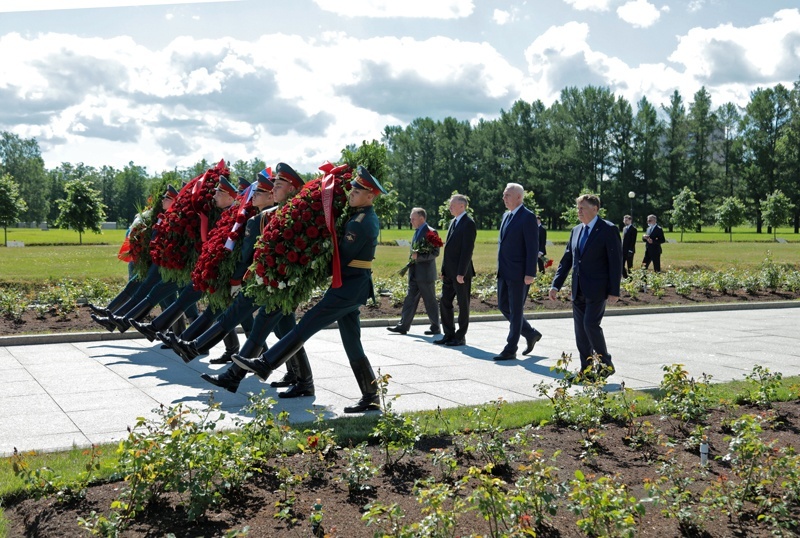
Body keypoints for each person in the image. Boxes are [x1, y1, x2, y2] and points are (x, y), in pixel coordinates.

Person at [232, 165, 387, 413]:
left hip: (349, 288)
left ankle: (266, 363)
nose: (352, 194)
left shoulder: (362, 222)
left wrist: (305, 259)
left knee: (307, 324)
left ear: (370, 196)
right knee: (352, 344)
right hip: (349, 286)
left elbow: (341, 255)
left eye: (358, 192)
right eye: (353, 190)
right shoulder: (359, 217)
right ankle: (370, 396)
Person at [198, 163, 316, 397]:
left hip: (281, 285)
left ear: (292, 189)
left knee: (266, 330)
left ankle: (231, 375)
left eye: (279, 185)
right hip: (272, 283)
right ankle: (302, 379)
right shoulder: (276, 214)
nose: (274, 190)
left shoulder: (299, 215)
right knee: (286, 333)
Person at [549, 194, 622, 379]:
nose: (578, 211)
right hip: (578, 288)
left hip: (598, 288)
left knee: (590, 324)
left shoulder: (608, 229)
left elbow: (615, 262)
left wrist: (614, 290)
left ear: (595, 209)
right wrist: (556, 285)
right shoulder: (575, 231)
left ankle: (606, 364)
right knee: (580, 331)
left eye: (582, 208)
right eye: (578, 208)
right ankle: (587, 370)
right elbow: (567, 260)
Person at [494, 183, 542, 361]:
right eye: (504, 195)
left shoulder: (527, 217)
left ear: (519, 197)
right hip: (504, 271)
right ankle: (530, 333)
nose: (504, 198)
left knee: (515, 311)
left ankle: (510, 348)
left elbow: (532, 247)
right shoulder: (506, 216)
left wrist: (530, 272)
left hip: (519, 273)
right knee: (503, 306)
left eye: (508, 195)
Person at [387, 208, 440, 336]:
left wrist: (419, 257)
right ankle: (403, 326)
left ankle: (435, 327)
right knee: (409, 299)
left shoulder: (431, 232)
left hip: (425, 275)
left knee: (430, 301)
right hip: (414, 273)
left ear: (421, 218)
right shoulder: (416, 232)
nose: (410, 221)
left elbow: (435, 252)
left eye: (413, 219)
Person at [434, 193, 476, 347]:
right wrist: (444, 270)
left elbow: (467, 250)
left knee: (463, 305)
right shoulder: (453, 222)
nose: (450, 207)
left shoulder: (468, 223)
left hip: (461, 274)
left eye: (452, 204)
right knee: (445, 302)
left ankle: (460, 337)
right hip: (449, 273)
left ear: (462, 206)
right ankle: (449, 334)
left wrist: (461, 273)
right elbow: (449, 249)